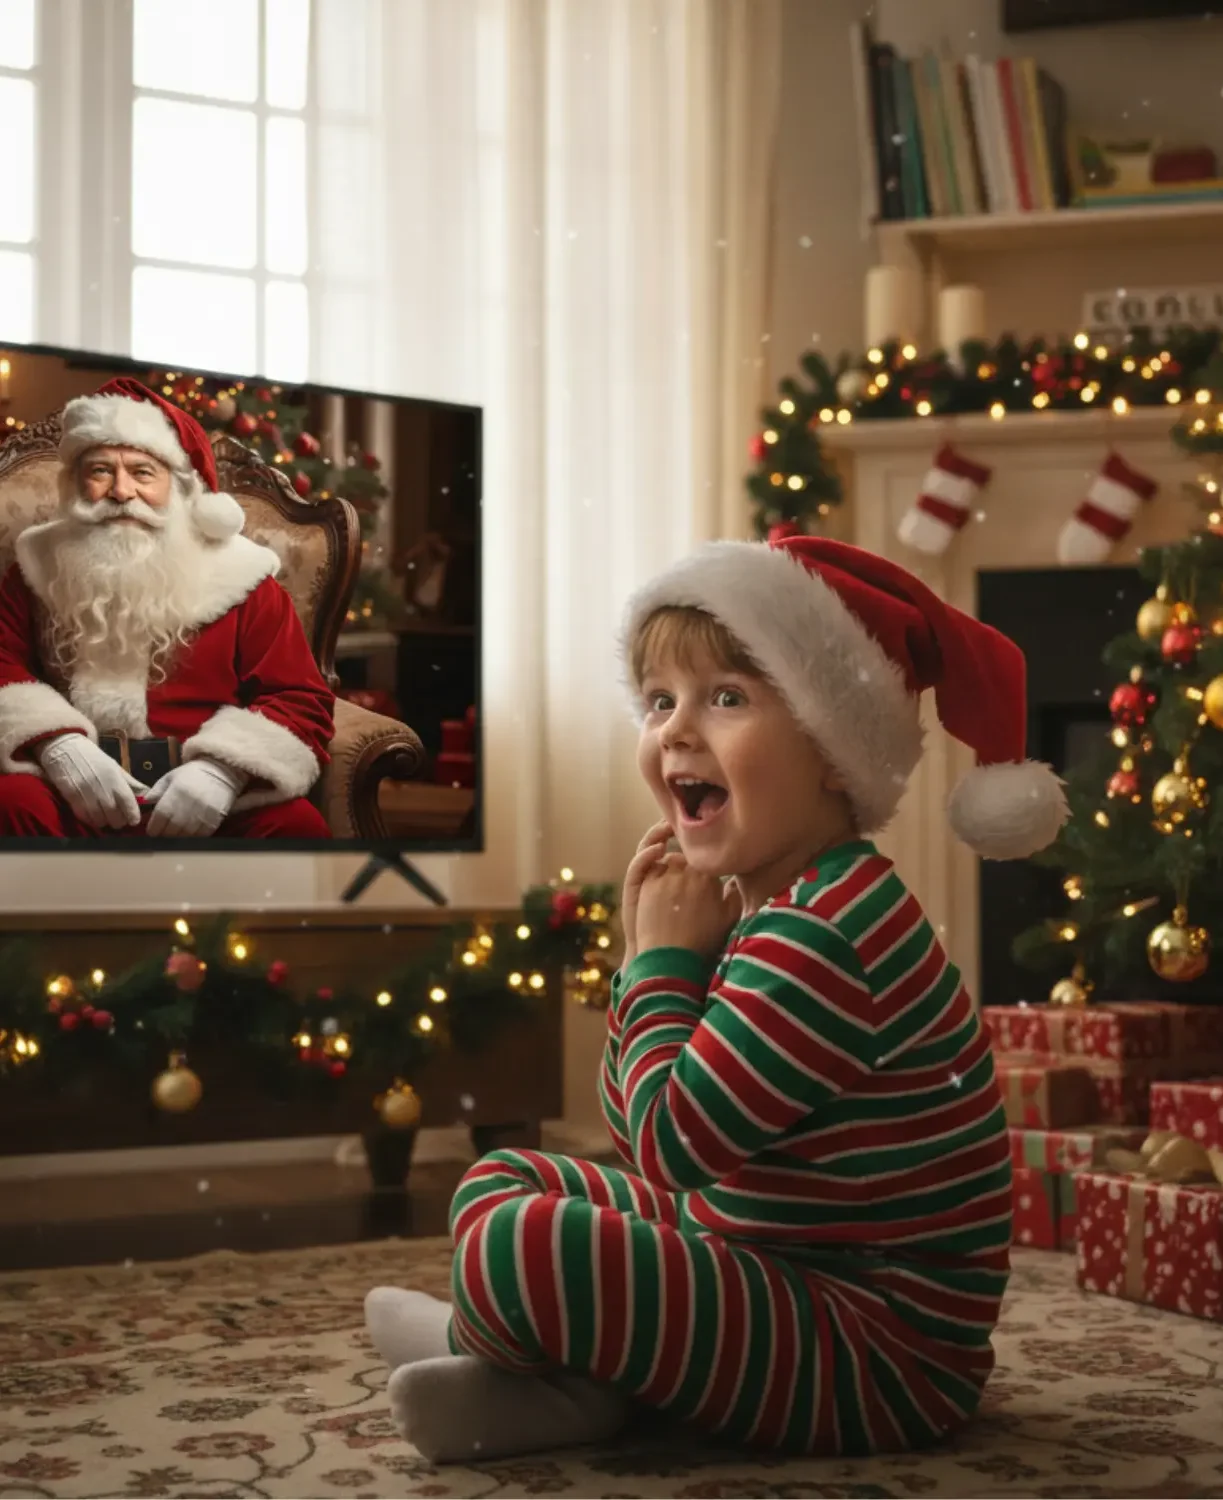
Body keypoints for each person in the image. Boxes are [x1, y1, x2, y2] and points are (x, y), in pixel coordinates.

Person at [363, 535, 1068, 1462]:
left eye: (726, 698)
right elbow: (640, 1129)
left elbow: (668, 1152)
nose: (675, 731)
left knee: (521, 1249)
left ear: (832, 752)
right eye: (659, 701)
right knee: (504, 1179)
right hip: (771, 1257)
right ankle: (552, 1383)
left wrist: (660, 964)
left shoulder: (824, 933)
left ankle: (526, 1375)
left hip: (875, 1354)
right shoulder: (777, 904)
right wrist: (644, 961)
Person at [0, 377, 334, 840]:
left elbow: (299, 697)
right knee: (11, 805)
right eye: (99, 470)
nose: (120, 491)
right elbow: (2, 663)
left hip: (206, 795)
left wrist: (221, 773)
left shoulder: (245, 578)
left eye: (142, 472)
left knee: (298, 828)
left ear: (180, 488)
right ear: (75, 484)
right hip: (74, 788)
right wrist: (57, 745)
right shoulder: (36, 567)